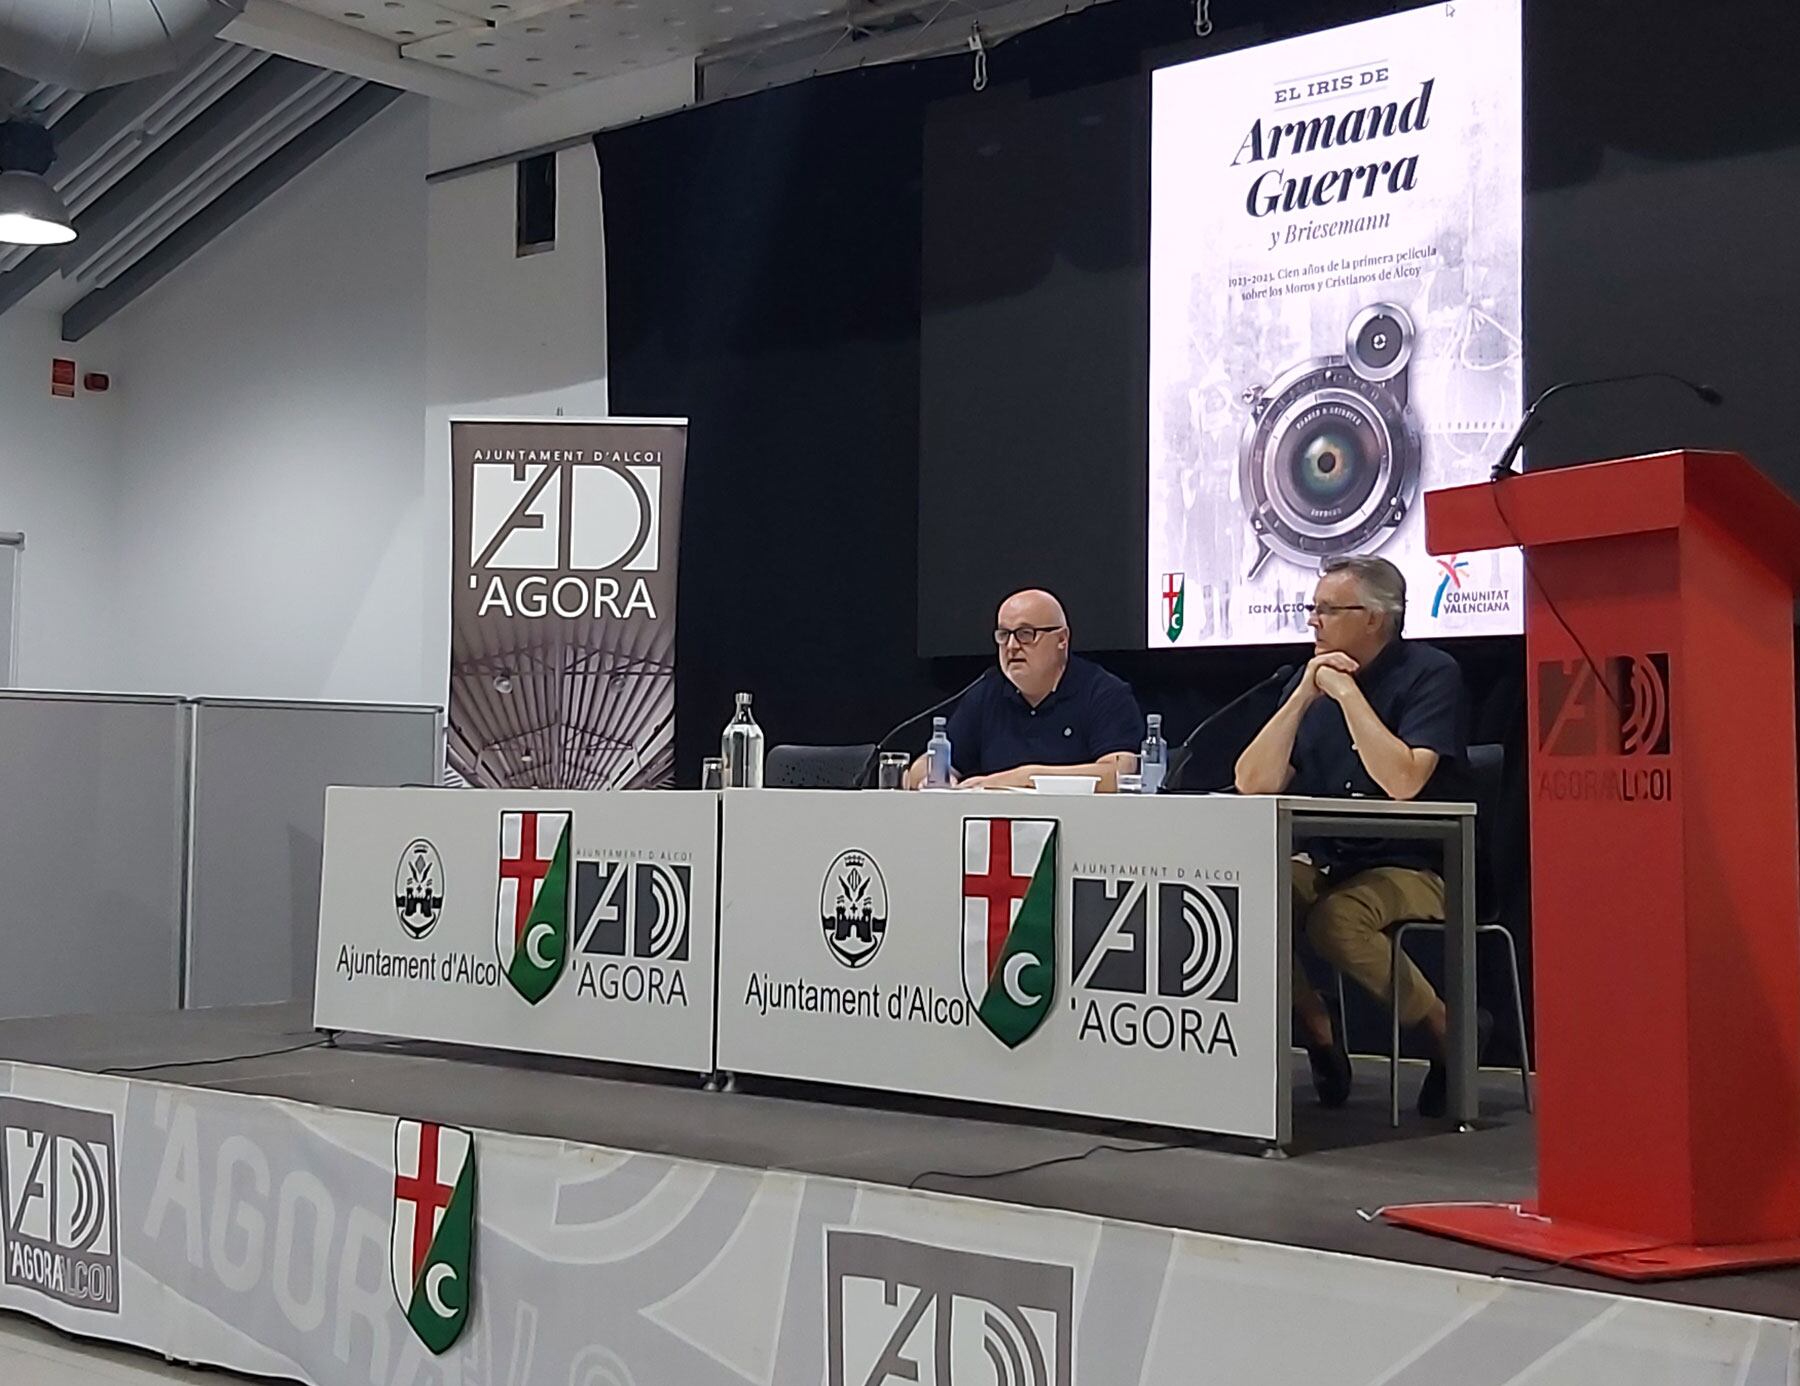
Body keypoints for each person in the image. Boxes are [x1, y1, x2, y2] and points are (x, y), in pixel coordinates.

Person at [1233, 555, 1481, 1118]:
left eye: (1326, 610)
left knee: (1334, 920)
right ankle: (1317, 1026)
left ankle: (1446, 1028)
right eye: (1311, 609)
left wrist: (1348, 696)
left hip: (1420, 862)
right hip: (1328, 855)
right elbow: (1253, 783)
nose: (1312, 622)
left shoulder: (1431, 673)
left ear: (1374, 618)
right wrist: (1301, 697)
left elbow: (1402, 781)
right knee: (1250, 898)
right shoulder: (1311, 682)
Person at [908, 589, 1143, 791]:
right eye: (1004, 635)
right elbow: (923, 769)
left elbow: (1119, 773)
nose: (1011, 646)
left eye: (1025, 634)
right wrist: (937, 778)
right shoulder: (987, 691)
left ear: (1062, 639)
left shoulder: (1103, 692)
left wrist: (1021, 778)